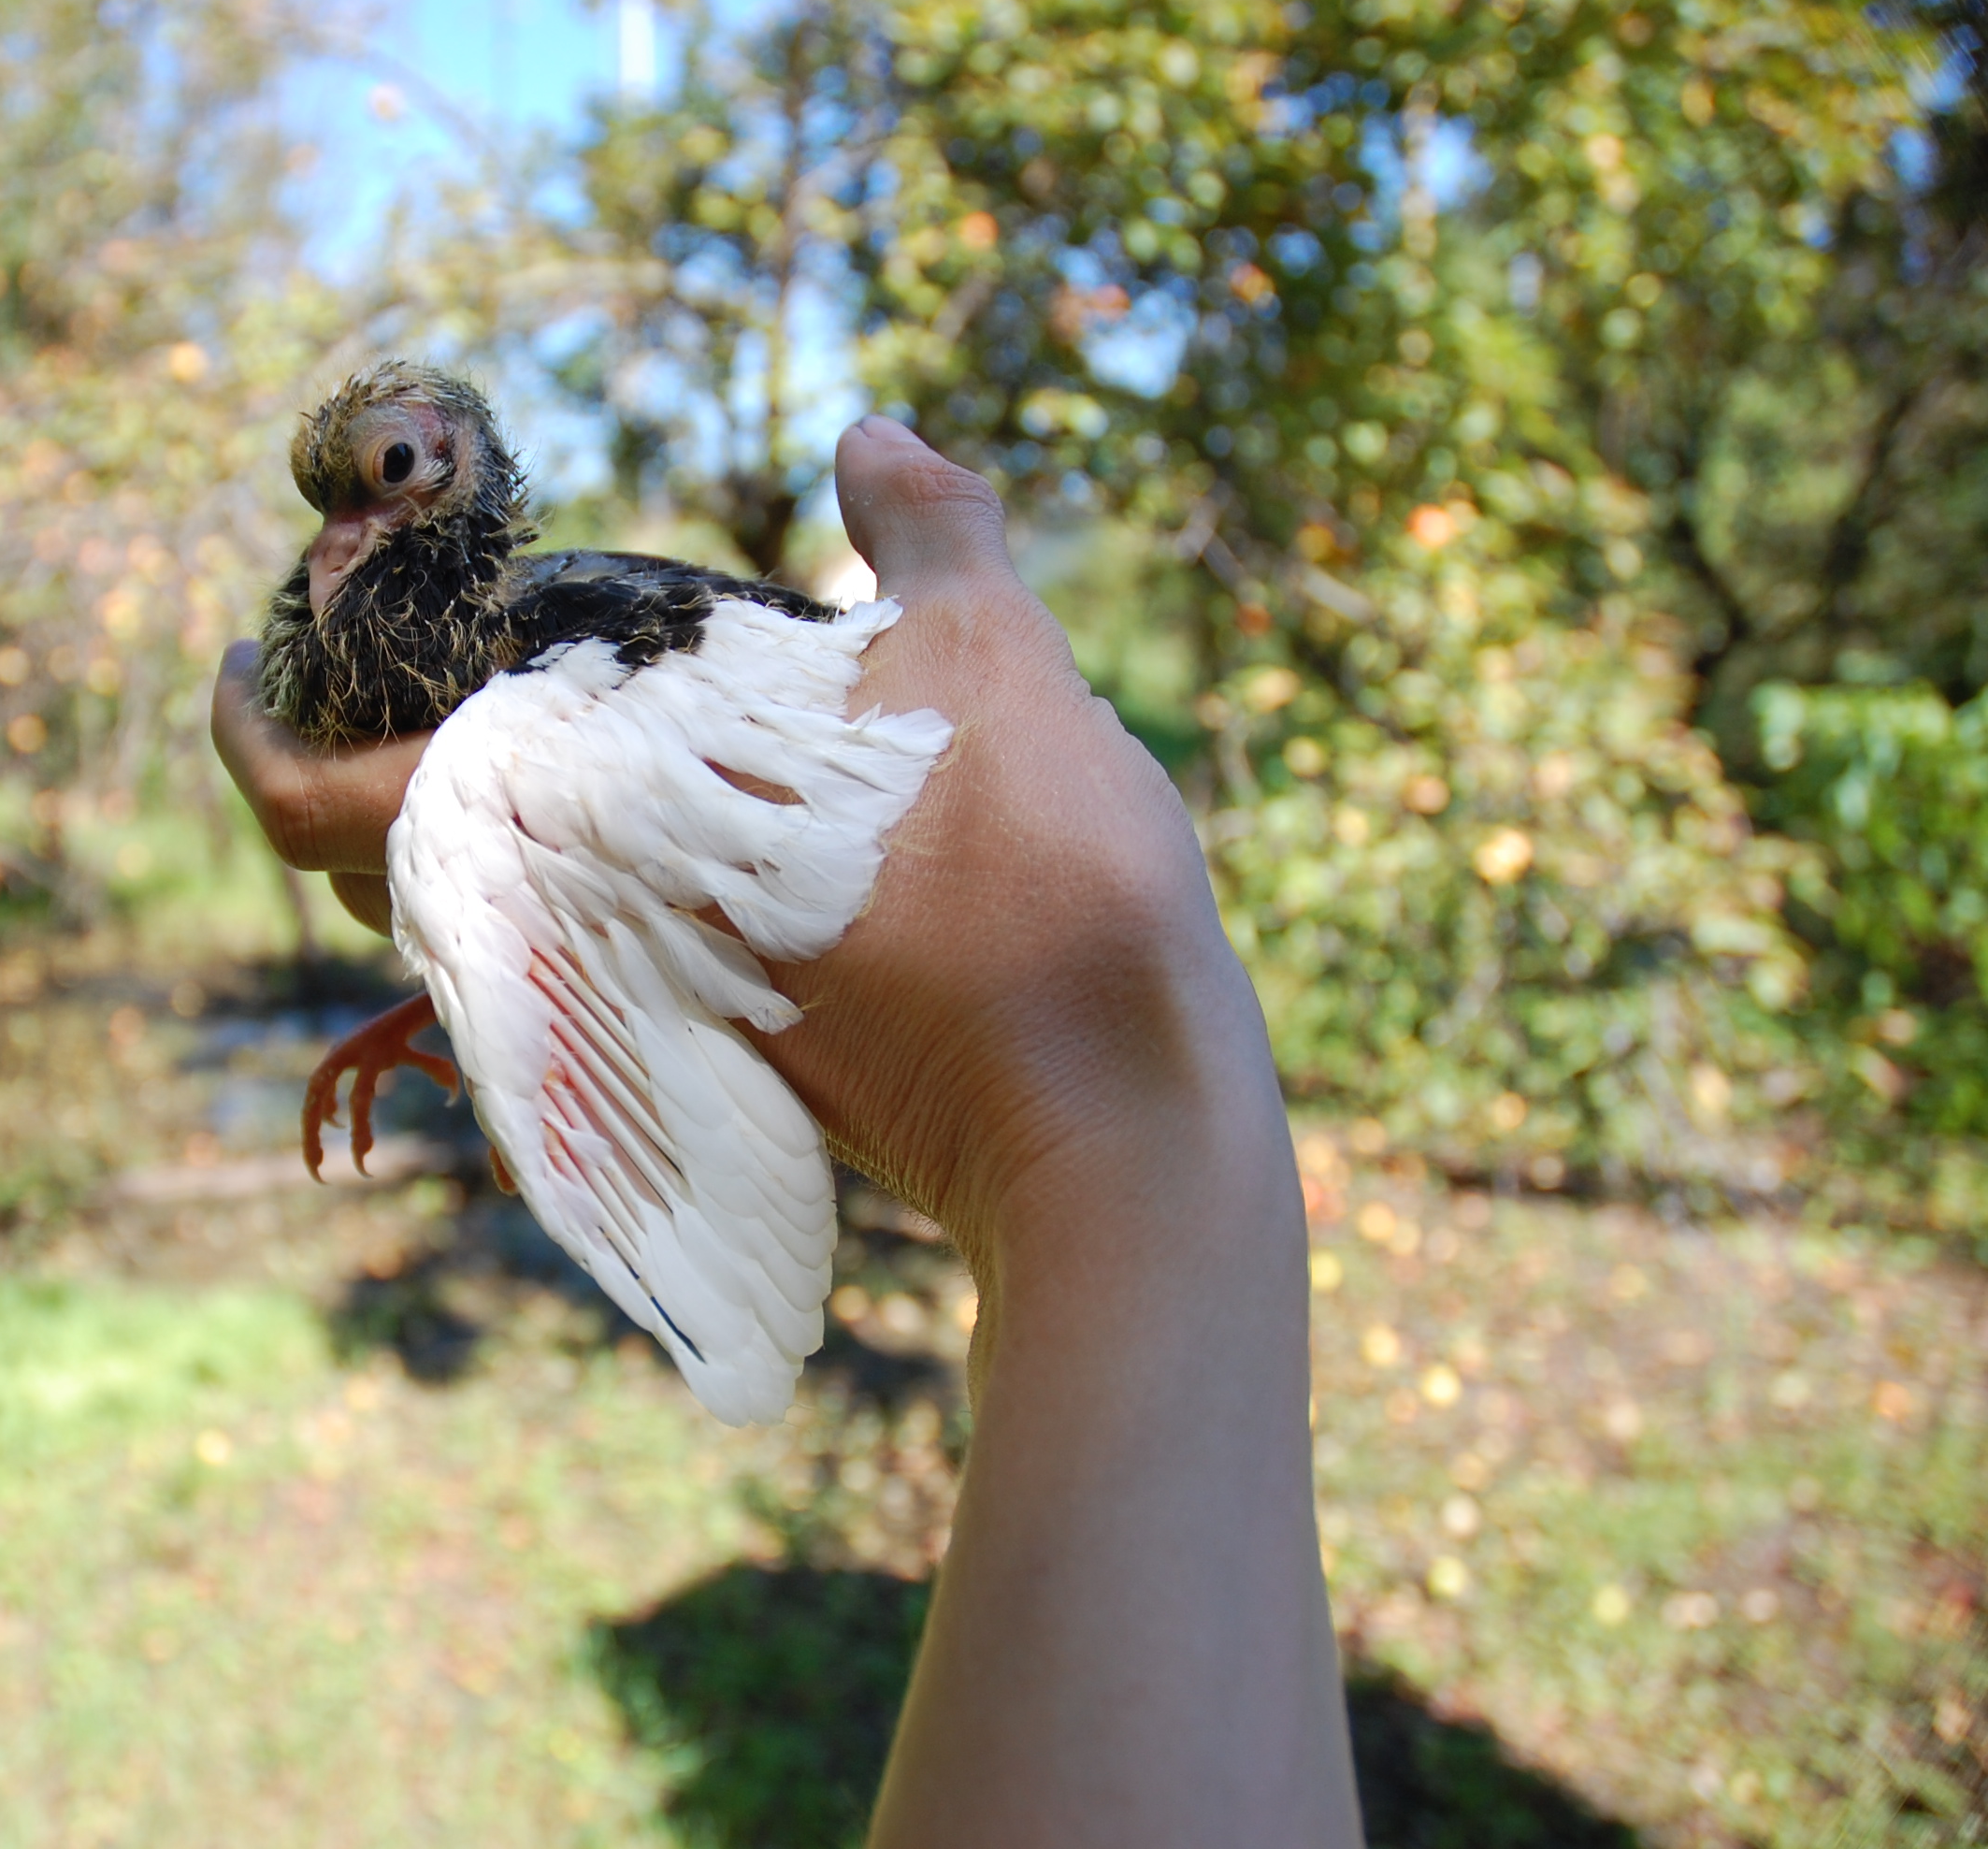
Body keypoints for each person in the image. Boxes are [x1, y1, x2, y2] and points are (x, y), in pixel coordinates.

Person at [213, 415, 1364, 1846]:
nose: (341, 540)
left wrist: (1093, 1060)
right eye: (333, 507)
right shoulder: (473, 656)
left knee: (472, 836)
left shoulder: (534, 703)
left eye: (386, 478)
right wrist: (1140, 1122)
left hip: (655, 717)